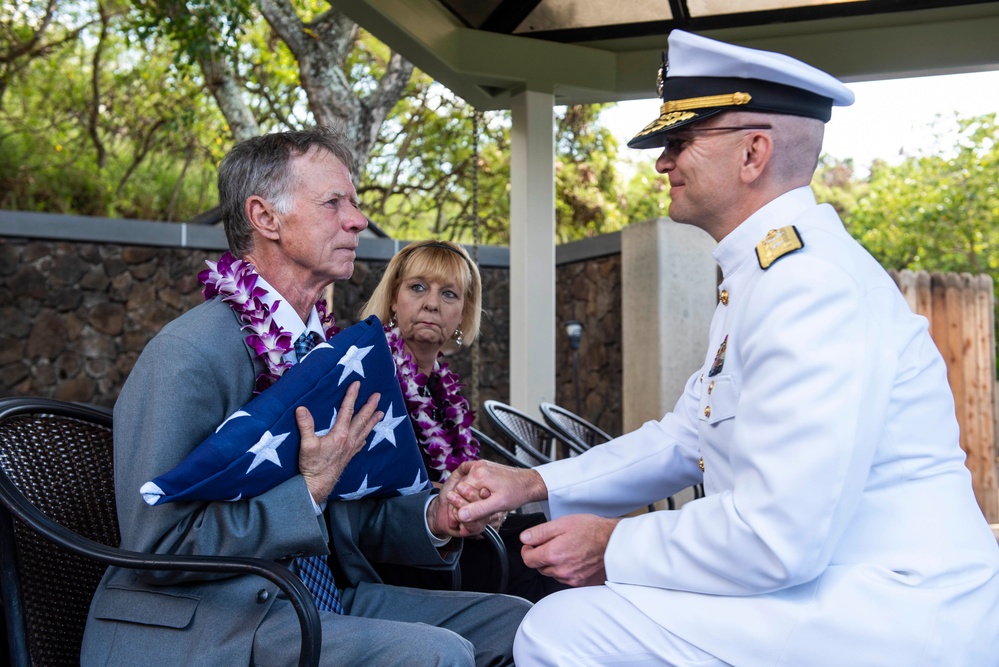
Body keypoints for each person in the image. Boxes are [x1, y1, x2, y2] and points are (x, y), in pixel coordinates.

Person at [447, 30, 999, 666]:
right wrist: (530, 481)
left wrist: (613, 546)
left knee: (564, 628)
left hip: (895, 610)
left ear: (753, 153)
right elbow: (684, 439)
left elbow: (778, 538)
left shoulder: (810, 289)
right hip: (839, 588)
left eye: (679, 142)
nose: (662, 163)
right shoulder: (767, 278)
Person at [81, 128, 530, 667]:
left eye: (356, 204)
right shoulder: (190, 353)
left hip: (321, 600)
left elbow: (349, 520)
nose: (358, 220)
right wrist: (309, 487)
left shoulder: (324, 352)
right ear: (265, 218)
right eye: (334, 203)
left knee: (523, 624)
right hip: (214, 622)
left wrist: (438, 515)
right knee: (439, 654)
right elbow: (156, 548)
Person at [360, 239, 569, 602]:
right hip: (399, 553)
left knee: (553, 537)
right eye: (418, 287)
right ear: (394, 298)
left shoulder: (440, 388)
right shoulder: (370, 375)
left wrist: (484, 504)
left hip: (454, 539)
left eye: (450, 294)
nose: (431, 304)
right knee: (541, 553)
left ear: (463, 312)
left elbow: (452, 474)